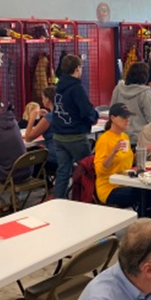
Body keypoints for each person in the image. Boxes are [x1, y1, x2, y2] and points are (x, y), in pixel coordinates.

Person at [94, 103, 151, 218]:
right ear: (112, 118)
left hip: (126, 182)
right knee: (147, 195)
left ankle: (141, 221)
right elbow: (100, 170)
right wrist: (113, 152)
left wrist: (143, 151)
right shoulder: (104, 140)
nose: (127, 120)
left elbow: (129, 162)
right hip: (109, 188)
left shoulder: (124, 137)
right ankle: (140, 223)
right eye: (123, 117)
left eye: (128, 117)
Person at [51, 54, 98, 199]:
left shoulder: (57, 87)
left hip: (58, 135)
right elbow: (86, 110)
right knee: (87, 170)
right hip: (75, 135)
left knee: (62, 172)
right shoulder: (77, 88)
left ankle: (58, 201)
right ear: (77, 68)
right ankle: (89, 200)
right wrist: (94, 117)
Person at [110, 62, 151, 146]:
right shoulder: (145, 93)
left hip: (119, 135)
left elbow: (112, 109)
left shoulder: (118, 89)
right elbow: (150, 118)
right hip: (139, 137)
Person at [25, 86, 59, 185]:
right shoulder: (62, 114)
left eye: (43, 98)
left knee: (31, 158)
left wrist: (31, 119)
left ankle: (48, 186)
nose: (42, 100)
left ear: (48, 99)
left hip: (54, 160)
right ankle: (49, 186)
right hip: (68, 157)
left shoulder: (49, 118)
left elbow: (28, 138)